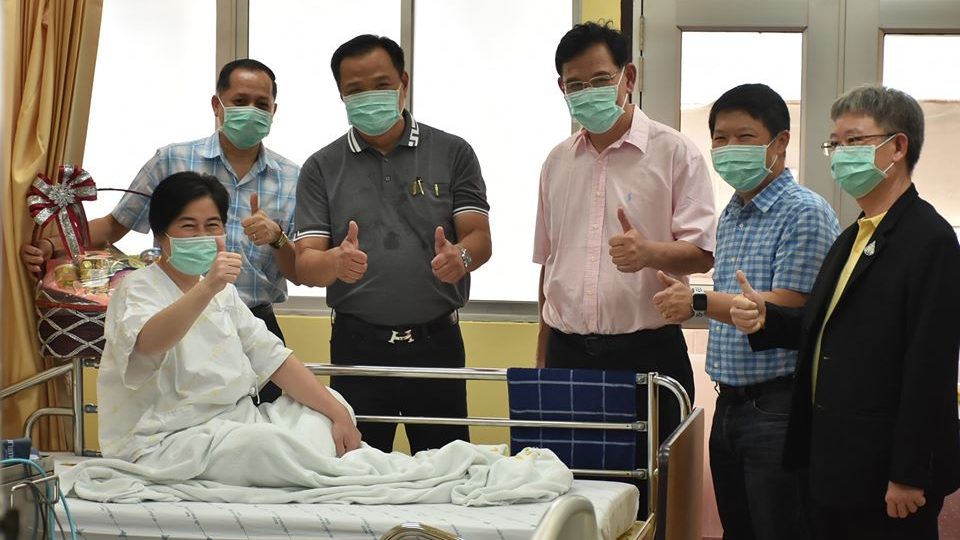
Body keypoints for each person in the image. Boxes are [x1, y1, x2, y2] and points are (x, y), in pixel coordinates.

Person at [730, 85, 960, 540]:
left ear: (898, 147)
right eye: (834, 143)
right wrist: (766, 317)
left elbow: (930, 369)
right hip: (834, 461)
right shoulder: (854, 235)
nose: (839, 155)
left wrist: (909, 473)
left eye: (854, 141)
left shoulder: (930, 240)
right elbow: (828, 329)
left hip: (887, 473)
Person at [20, 58, 299, 403]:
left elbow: (298, 271)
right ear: (217, 104)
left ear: (274, 110)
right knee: (183, 422)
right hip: (178, 320)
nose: (251, 111)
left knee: (264, 422)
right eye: (240, 101)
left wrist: (277, 238)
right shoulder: (172, 160)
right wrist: (51, 246)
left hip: (255, 322)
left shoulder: (291, 177)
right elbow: (114, 225)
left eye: (261, 104)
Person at [533, 21, 715, 515]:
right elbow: (549, 265)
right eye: (575, 85)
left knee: (652, 499)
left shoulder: (674, 151)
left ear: (627, 77)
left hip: (647, 354)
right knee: (569, 497)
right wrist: (543, 356)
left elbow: (702, 252)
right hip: (569, 356)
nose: (586, 93)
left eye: (599, 80)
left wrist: (649, 253)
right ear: (561, 88)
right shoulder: (556, 162)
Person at [652, 83, 839, 540]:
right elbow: (734, 302)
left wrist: (697, 301)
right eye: (720, 138)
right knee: (739, 529)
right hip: (730, 402)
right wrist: (694, 299)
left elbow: (790, 304)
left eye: (745, 137)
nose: (729, 148)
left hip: (779, 405)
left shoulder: (804, 211)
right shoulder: (732, 213)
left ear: (780, 142)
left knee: (781, 529)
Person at [294, 35, 492, 454]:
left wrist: (461, 257)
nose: (370, 96)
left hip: (436, 343)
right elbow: (305, 263)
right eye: (355, 89)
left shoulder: (453, 152)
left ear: (404, 82)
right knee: (355, 472)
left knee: (447, 470)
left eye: (381, 84)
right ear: (341, 95)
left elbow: (479, 237)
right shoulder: (320, 167)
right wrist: (334, 262)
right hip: (356, 346)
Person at [98, 171, 360, 471]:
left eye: (212, 226)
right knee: (264, 445)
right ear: (160, 234)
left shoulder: (224, 294)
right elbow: (147, 344)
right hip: (167, 438)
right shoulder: (138, 287)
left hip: (237, 424)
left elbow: (273, 358)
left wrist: (338, 414)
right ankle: (305, 464)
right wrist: (208, 287)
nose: (202, 236)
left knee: (330, 408)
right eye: (188, 226)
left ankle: (303, 460)